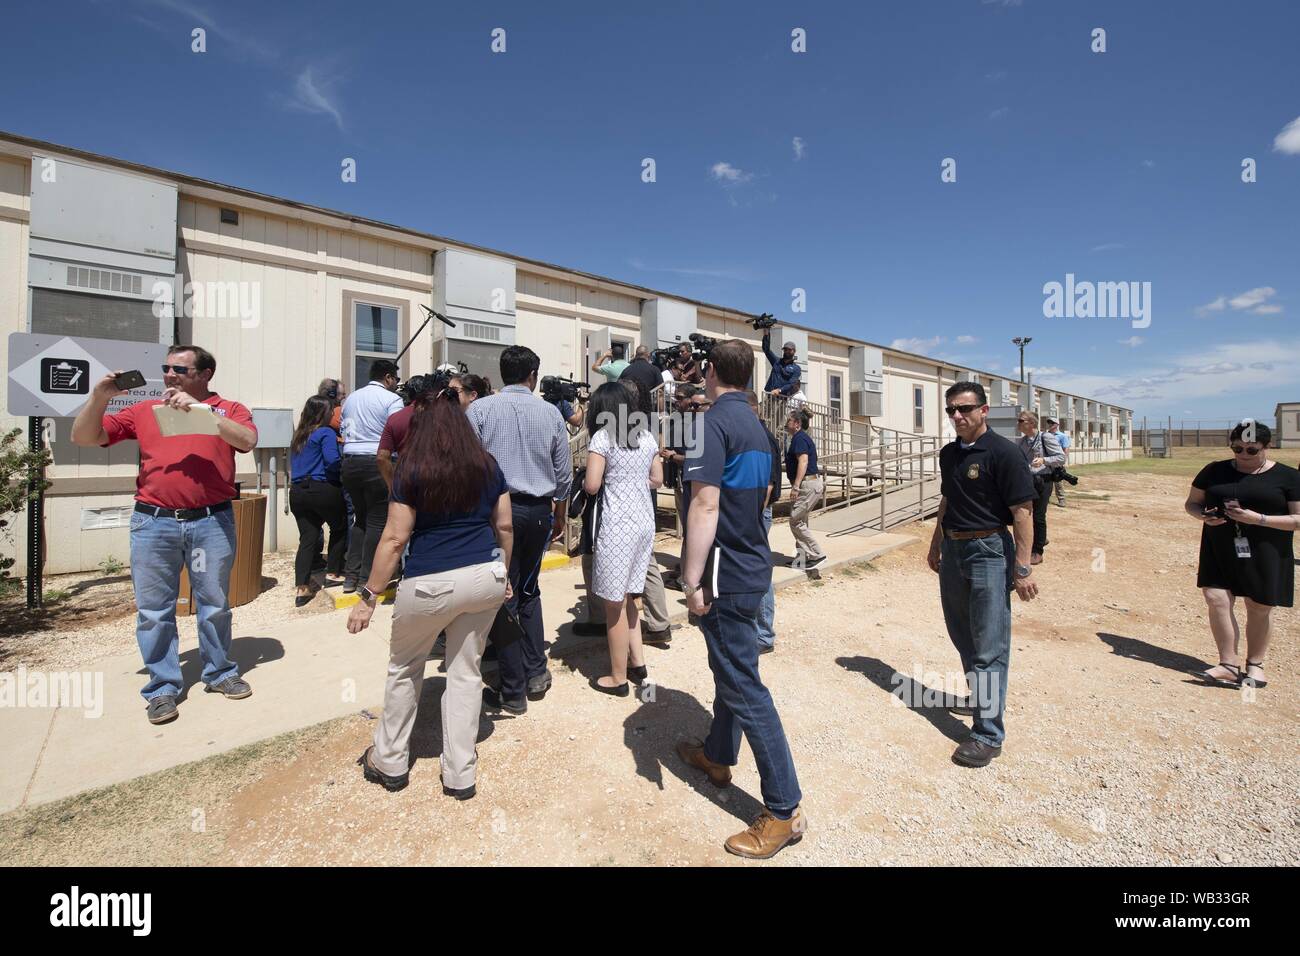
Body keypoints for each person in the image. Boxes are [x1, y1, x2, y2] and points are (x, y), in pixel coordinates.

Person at [71, 345, 258, 725]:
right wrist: (98, 399)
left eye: (180, 369)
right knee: (155, 611)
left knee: (214, 603)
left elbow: (246, 440)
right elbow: (85, 437)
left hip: (211, 521)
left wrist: (198, 411)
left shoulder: (228, 409)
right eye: (166, 368)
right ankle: (162, 687)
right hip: (153, 522)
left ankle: (219, 672)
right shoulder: (144, 410)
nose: (170, 375)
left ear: (205, 374)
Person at [675, 338, 806, 860]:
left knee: (746, 685)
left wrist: (689, 580)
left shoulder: (713, 425)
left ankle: (783, 810)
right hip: (753, 567)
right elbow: (769, 500)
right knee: (732, 668)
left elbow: (704, 506)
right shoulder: (761, 429)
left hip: (725, 574)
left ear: (710, 373)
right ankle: (716, 754)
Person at [348, 388, 512, 799]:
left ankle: (390, 760)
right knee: (465, 672)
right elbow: (505, 526)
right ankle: (460, 772)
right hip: (482, 576)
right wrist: (503, 571)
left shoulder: (410, 468)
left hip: (428, 582)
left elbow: (394, 538)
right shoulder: (487, 465)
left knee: (405, 667)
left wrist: (369, 596)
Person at [927, 382, 1038, 768]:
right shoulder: (949, 455)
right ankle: (982, 700)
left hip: (989, 550)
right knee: (963, 635)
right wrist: (936, 541)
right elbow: (947, 499)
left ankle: (988, 734)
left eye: (965, 409)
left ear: (984, 410)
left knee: (989, 643)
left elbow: (1023, 512)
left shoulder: (1004, 454)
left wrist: (1022, 568)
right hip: (955, 547)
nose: (957, 417)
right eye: (951, 411)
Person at [468, 345, 572, 715]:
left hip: (498, 512)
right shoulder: (550, 413)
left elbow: (471, 465)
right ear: (533, 376)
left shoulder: (479, 410)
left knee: (502, 592)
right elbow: (564, 471)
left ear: (502, 374)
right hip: (539, 510)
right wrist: (560, 512)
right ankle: (535, 672)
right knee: (527, 588)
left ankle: (513, 690)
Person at [1184, 422, 1300, 689]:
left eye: (1251, 449)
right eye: (1237, 448)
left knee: (1259, 606)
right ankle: (1227, 664)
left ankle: (1255, 665)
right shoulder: (1214, 470)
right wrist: (1201, 515)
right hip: (1220, 545)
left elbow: (1298, 519)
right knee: (1216, 598)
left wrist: (1258, 519)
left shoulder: (1288, 477)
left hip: (1267, 549)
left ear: (1267, 447)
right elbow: (1192, 503)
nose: (1243, 455)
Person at [581, 383, 663, 694]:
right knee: (629, 596)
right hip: (644, 522)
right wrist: (634, 481)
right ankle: (637, 664)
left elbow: (591, 485)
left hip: (617, 525)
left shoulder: (603, 437)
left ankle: (617, 678)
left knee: (613, 603)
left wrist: (613, 480)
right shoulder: (645, 435)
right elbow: (657, 479)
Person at [340, 359, 404, 592]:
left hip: (349, 462)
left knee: (361, 520)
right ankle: (368, 579)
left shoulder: (351, 399)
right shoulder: (391, 399)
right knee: (378, 521)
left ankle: (350, 576)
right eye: (395, 379)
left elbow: (343, 428)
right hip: (376, 461)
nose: (397, 384)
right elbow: (398, 430)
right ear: (388, 378)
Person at [290, 395, 347, 605]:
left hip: (297, 492)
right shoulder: (325, 432)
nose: (334, 414)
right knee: (340, 526)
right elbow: (332, 461)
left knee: (308, 537)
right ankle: (333, 572)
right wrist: (339, 477)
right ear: (323, 413)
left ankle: (302, 588)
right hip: (320, 488)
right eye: (331, 411)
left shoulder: (299, 435)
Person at [748, 391, 783, 653]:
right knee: (752, 569)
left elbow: (769, 485)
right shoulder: (756, 434)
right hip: (755, 511)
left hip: (760, 512)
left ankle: (764, 635)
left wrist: (754, 516)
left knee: (760, 571)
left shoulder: (763, 438)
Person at [1016, 411, 1065, 565]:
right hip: (1027, 481)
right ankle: (1031, 544)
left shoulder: (1046, 437)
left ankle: (1037, 551)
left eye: (1021, 420)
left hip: (1043, 480)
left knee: (1038, 515)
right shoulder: (1023, 441)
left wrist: (1044, 460)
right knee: (1026, 515)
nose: (1018, 423)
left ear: (1031, 423)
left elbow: (1061, 457)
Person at [376, 374, 436, 490]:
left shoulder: (396, 419)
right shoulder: (443, 417)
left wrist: (391, 487)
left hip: (405, 480)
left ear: (409, 393)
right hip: (435, 481)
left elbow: (381, 457)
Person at [785, 407, 827, 570]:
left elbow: (803, 462)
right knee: (801, 520)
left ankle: (817, 554)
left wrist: (796, 486)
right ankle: (802, 559)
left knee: (795, 520)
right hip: (809, 485)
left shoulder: (799, 439)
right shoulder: (799, 437)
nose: (786, 422)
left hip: (807, 485)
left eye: (788, 420)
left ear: (796, 424)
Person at [620, 345, 663, 416]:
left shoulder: (626, 370)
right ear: (648, 355)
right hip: (646, 407)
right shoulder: (654, 369)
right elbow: (660, 392)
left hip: (628, 407)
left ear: (636, 355)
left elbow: (619, 387)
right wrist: (661, 412)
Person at [761, 330, 802, 402]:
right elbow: (766, 350)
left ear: (794, 351)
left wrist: (779, 390)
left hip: (781, 398)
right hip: (769, 395)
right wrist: (766, 334)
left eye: (789, 350)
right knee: (761, 413)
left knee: (776, 413)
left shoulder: (796, 368)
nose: (787, 351)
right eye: (785, 349)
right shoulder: (776, 361)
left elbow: (791, 384)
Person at [1045, 418, 1071, 507]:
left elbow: (1066, 449)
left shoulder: (1062, 436)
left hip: (1057, 462)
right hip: (1046, 461)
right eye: (1049, 423)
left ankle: (1061, 500)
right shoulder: (1045, 435)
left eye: (1052, 423)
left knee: (1058, 481)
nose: (1050, 424)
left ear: (1057, 424)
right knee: (1046, 481)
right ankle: (1045, 499)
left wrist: (1063, 461)